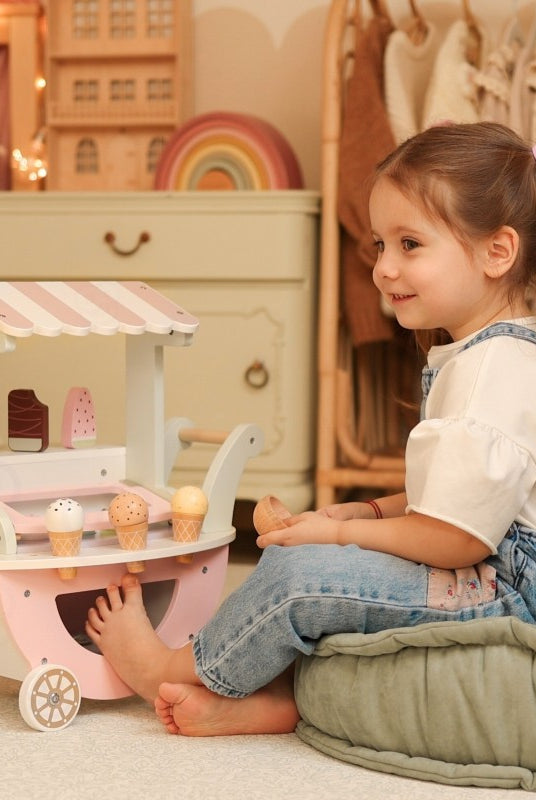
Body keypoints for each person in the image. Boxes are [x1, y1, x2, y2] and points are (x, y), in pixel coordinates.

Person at [86, 121, 536, 737]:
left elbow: (457, 539)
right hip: (485, 564)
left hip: (506, 588)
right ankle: (275, 695)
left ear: (497, 252)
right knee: (331, 563)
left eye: (410, 245)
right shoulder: (485, 354)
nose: (383, 269)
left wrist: (337, 535)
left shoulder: (490, 373)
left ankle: (167, 668)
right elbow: (458, 497)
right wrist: (367, 512)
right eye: (380, 245)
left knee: (301, 579)